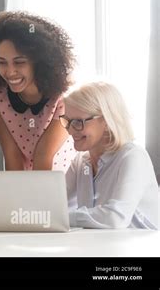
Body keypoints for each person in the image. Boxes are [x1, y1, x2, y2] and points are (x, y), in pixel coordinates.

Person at [0, 11, 76, 171]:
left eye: (19, 62)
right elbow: (11, 154)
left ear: (39, 61)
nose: (10, 71)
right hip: (26, 183)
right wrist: (17, 193)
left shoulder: (65, 98)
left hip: (63, 184)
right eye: (2, 62)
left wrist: (30, 194)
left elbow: (43, 156)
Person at [62, 81, 158, 229]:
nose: (70, 130)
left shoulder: (133, 157)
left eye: (78, 122)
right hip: (104, 247)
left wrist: (62, 217)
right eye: (67, 121)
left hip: (141, 249)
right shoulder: (81, 162)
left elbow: (115, 218)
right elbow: (54, 203)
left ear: (106, 121)